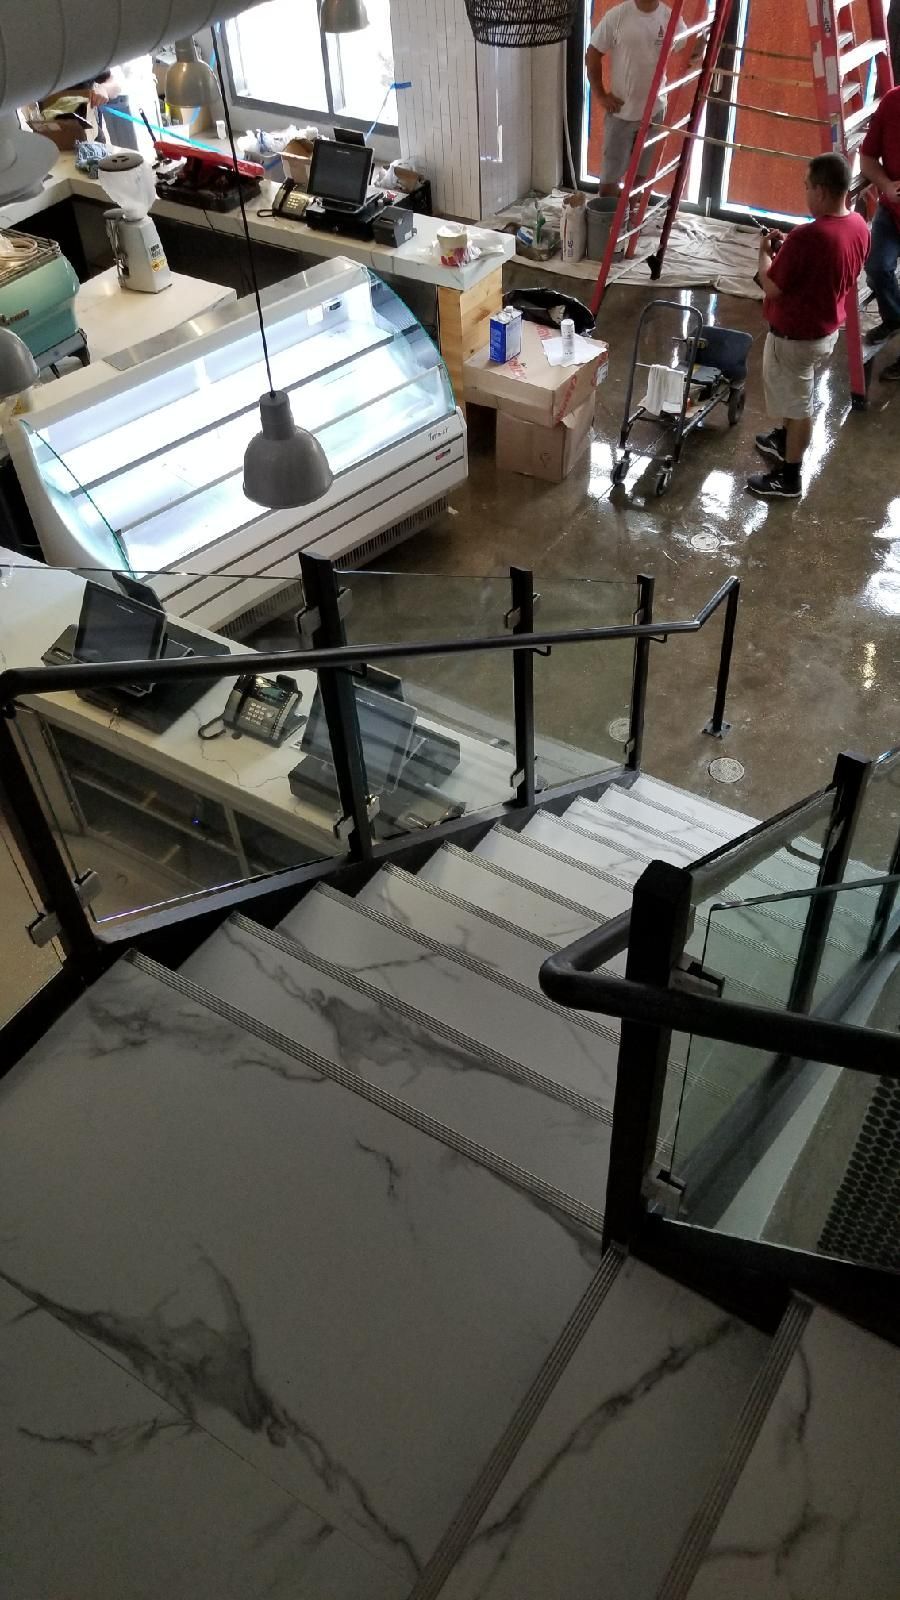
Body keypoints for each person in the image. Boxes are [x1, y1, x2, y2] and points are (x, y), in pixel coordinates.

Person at [748, 152, 869, 501]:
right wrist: (789, 254)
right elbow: (829, 267)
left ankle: (789, 478)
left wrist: (765, 253)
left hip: (796, 337)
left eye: (806, 186)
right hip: (825, 330)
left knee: (800, 405)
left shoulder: (808, 237)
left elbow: (770, 284)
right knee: (794, 393)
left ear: (820, 190)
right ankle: (783, 441)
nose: (804, 192)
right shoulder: (859, 226)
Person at [586, 0, 671, 198]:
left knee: (641, 180)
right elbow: (592, 53)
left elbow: (689, 45)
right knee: (609, 181)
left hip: (654, 112)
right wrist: (600, 94)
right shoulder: (618, 15)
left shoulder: (668, 17)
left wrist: (701, 44)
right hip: (621, 113)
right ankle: (608, 225)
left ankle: (631, 224)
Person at [860, 85, 900, 375]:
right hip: (892, 211)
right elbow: (867, 160)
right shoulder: (892, 101)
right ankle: (895, 318)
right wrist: (886, 185)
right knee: (876, 266)